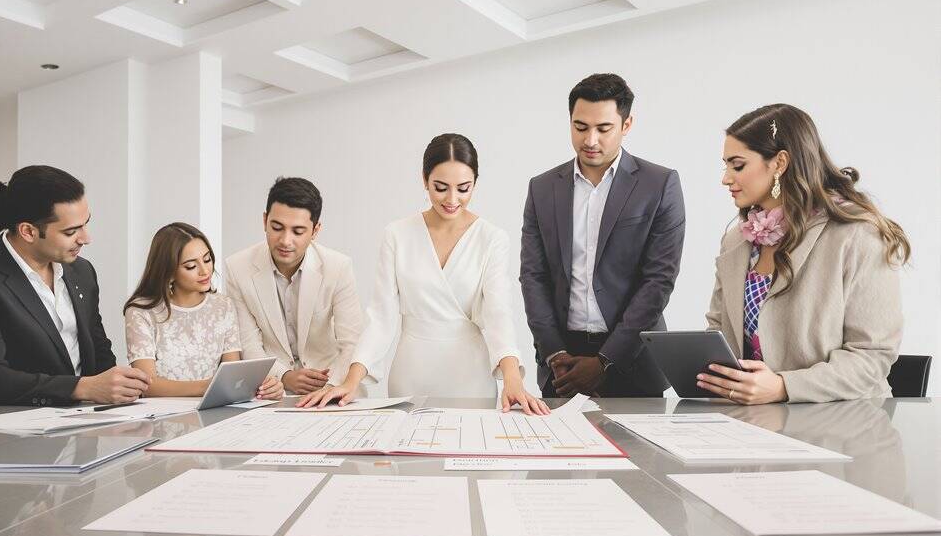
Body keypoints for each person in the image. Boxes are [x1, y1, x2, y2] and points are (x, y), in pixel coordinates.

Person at [299, 133, 549, 414]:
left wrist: (513, 380)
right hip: (411, 373)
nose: (452, 199)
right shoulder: (397, 234)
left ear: (475, 183)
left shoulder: (491, 238)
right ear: (424, 179)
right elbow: (381, 317)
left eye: (463, 188)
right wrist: (350, 381)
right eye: (440, 187)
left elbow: (498, 313)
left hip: (470, 378)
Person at [701, 104, 909, 404]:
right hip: (751, 419)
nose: (726, 178)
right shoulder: (737, 239)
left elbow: (872, 356)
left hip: (843, 420)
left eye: (738, 166)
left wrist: (783, 387)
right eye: (726, 166)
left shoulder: (858, 235)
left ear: (779, 163)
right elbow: (718, 330)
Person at [520, 73, 686, 399]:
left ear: (626, 124)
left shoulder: (659, 184)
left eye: (603, 128)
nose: (590, 140)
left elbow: (658, 281)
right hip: (561, 365)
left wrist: (605, 361)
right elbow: (533, 276)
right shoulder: (542, 188)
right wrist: (554, 353)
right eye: (580, 127)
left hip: (634, 360)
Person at [0, 165, 150, 405]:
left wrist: (123, 389)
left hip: (85, 421)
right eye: (71, 231)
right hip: (6, 425)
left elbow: (99, 354)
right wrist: (82, 388)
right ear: (28, 231)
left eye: (85, 224)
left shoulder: (82, 271)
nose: (86, 238)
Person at [223, 177, 364, 395]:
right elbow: (249, 344)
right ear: (265, 221)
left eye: (298, 231)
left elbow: (352, 340)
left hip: (332, 384)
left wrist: (332, 386)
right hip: (272, 388)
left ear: (315, 231)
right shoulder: (237, 268)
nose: (285, 241)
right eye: (277, 227)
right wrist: (285, 377)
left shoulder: (338, 267)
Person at [123, 222, 283, 399]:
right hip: (159, 413)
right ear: (168, 271)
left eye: (207, 259)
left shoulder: (223, 306)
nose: (205, 270)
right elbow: (147, 385)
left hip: (214, 410)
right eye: (191, 266)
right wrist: (211, 386)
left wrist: (266, 386)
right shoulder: (141, 312)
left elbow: (233, 375)